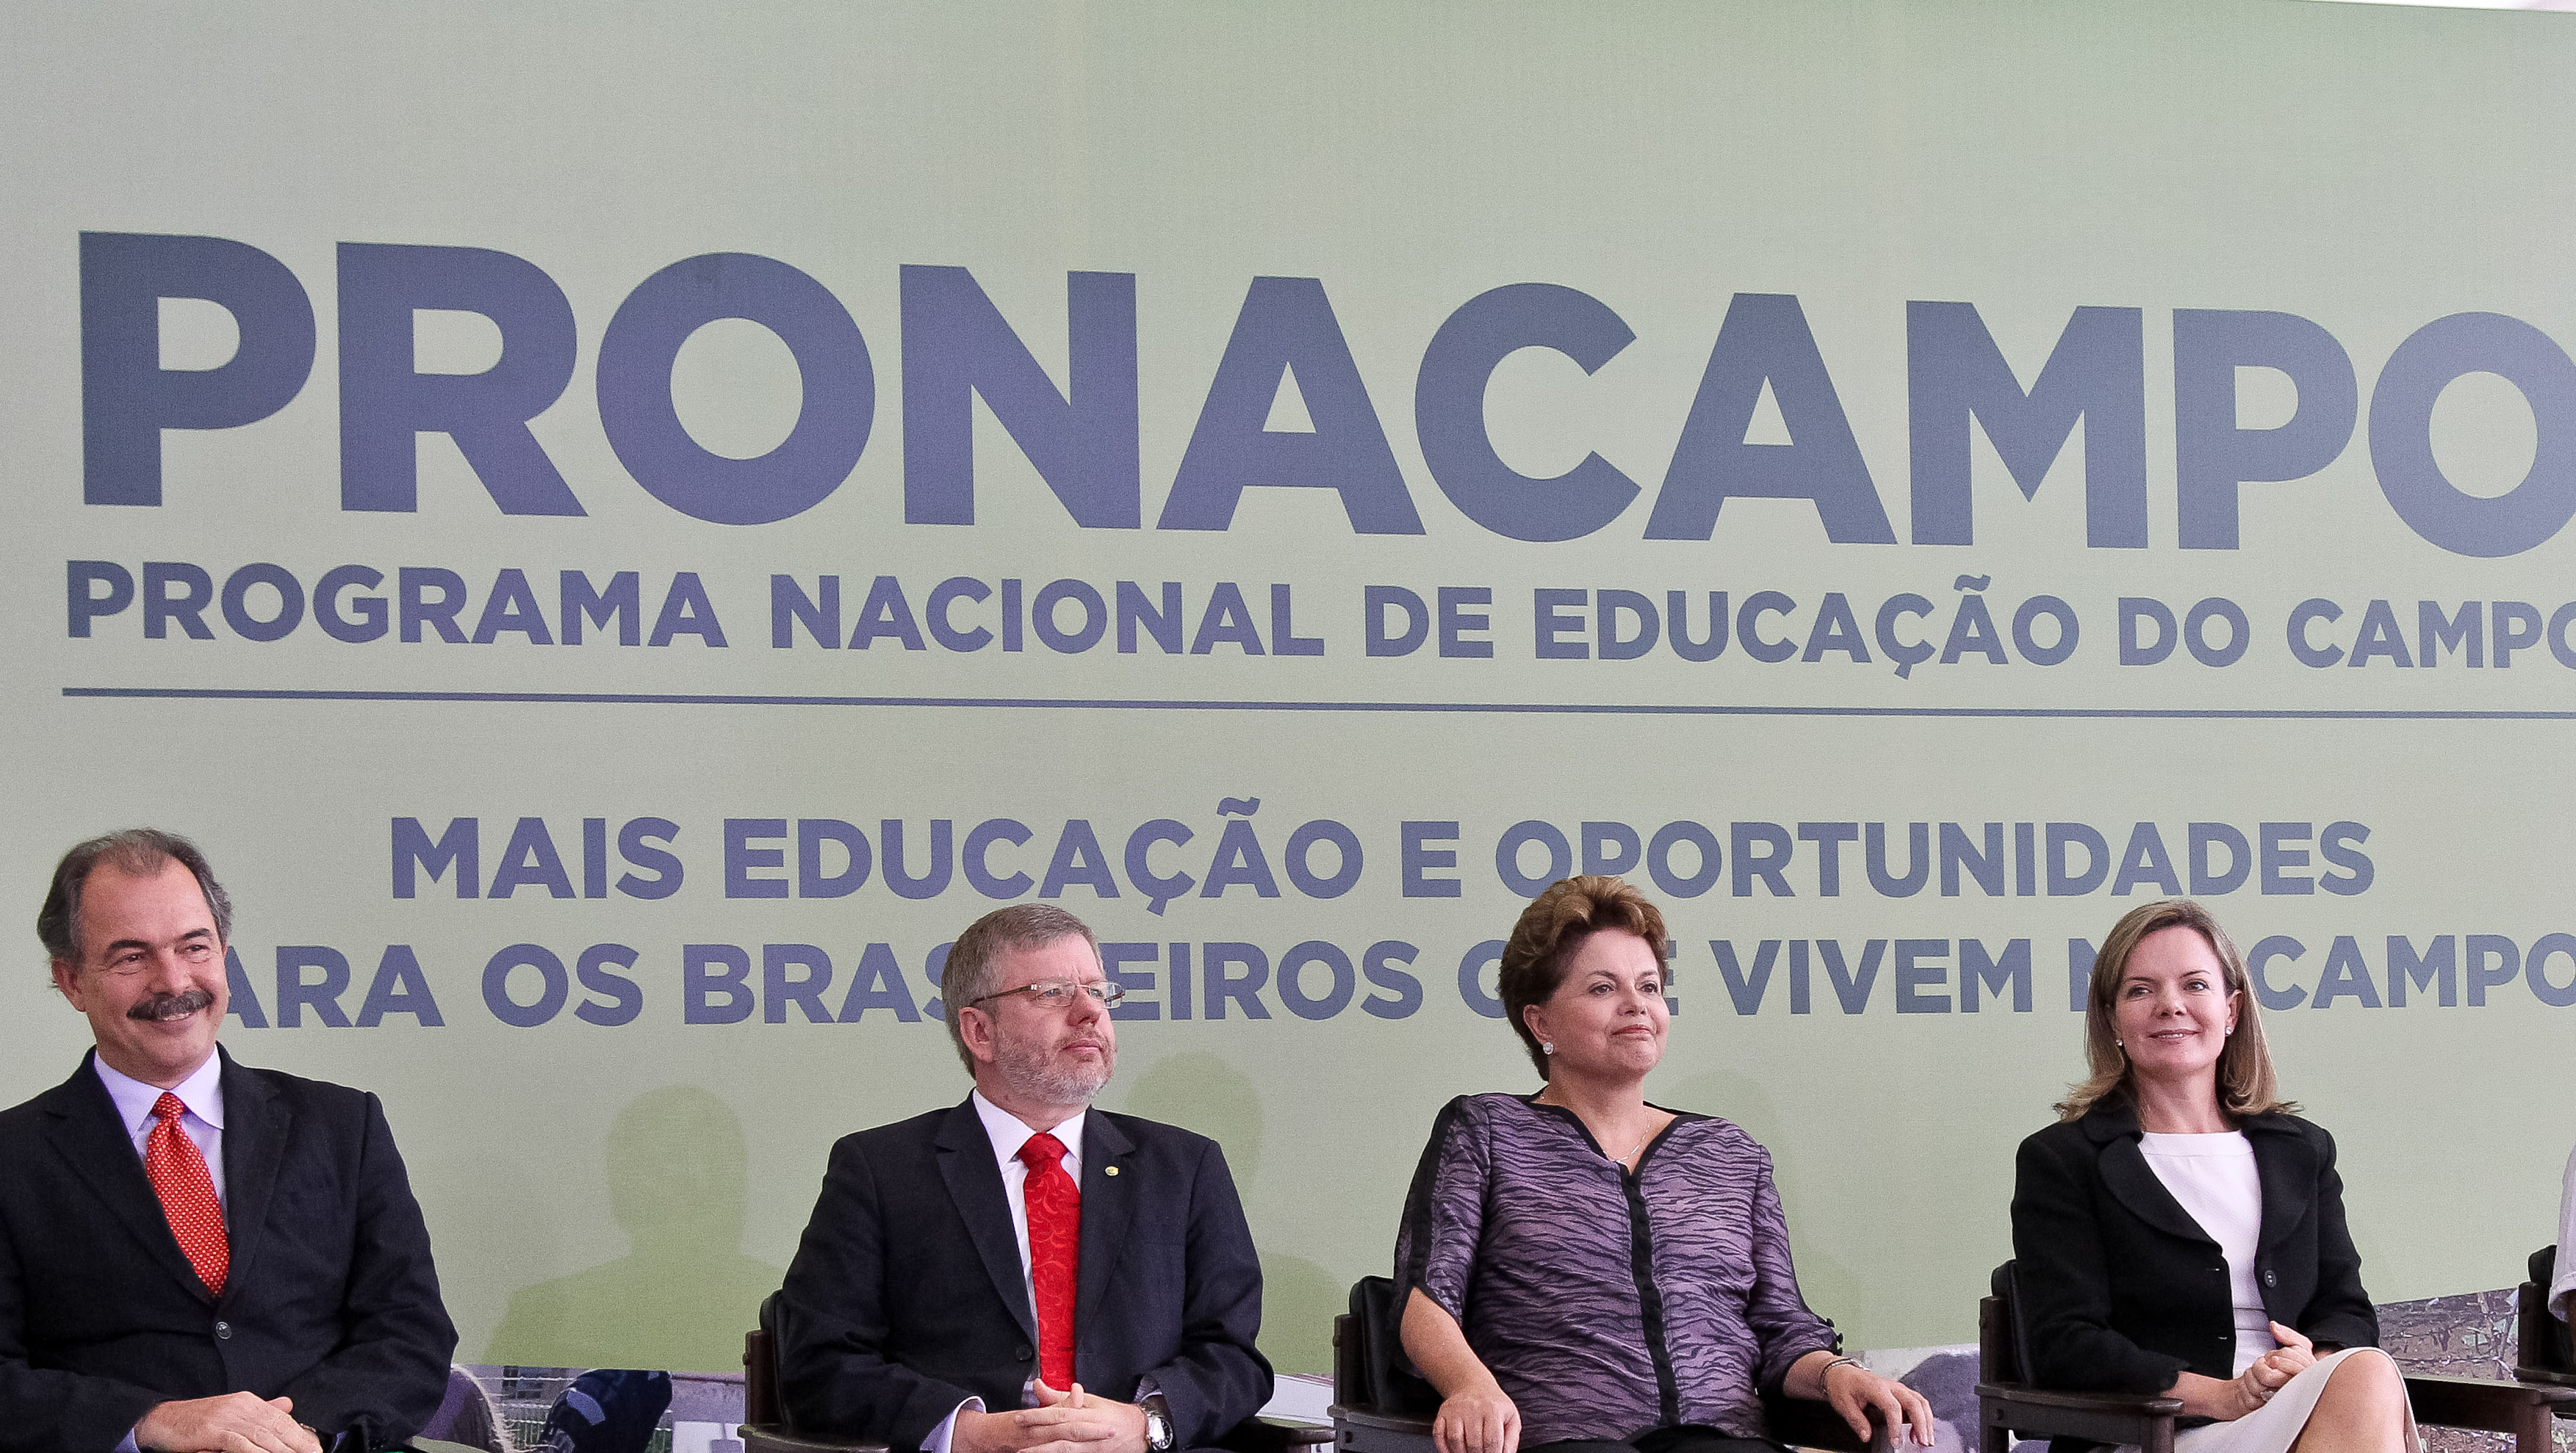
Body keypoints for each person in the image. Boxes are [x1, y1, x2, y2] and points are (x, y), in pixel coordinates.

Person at [1393, 875, 1936, 1453]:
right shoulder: (1487, 1131)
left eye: (1649, 987)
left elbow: (1782, 1328)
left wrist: (1837, 1374)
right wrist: (1471, 1387)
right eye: (1603, 988)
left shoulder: (1730, 1154)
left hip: (1720, 1435)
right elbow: (1427, 1301)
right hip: (1561, 1435)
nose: (1637, 1006)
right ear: (1541, 1023)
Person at [0, 829, 456, 1453]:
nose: (172, 981)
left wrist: (298, 1434)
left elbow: (411, 1333)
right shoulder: (12, 1158)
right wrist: (149, 1422)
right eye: (131, 957)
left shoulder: (343, 1125)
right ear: (72, 980)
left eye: (195, 947)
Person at [777, 904, 1271, 1453]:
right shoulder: (880, 1170)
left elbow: (1232, 1358)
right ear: (979, 1031)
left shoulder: (1185, 1167)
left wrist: (1144, 1426)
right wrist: (966, 1435)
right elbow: (820, 1362)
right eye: (1052, 992)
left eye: (1099, 992)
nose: (1089, 1013)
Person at [2011, 899, 2413, 1453]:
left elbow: (2345, 1308)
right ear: (2112, 1021)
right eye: (2140, 990)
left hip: (2301, 1410)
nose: (2170, 1005)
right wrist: (2221, 1396)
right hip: (2157, 1430)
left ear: (2232, 1009)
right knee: (2364, 1381)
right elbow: (2067, 1344)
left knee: (2362, 1371)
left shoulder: (2302, 1150)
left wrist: (2309, 1363)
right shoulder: (2062, 1159)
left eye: (2195, 985)